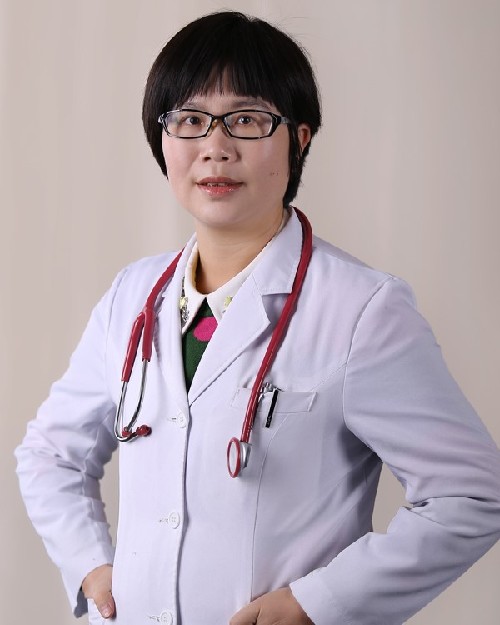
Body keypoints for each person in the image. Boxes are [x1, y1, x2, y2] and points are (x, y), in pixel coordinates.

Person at [15, 10, 500, 625]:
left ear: (299, 138)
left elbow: (470, 493)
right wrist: (90, 563)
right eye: (190, 120)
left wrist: (318, 604)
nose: (215, 147)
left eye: (246, 120)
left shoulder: (362, 309)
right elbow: (50, 453)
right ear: (162, 139)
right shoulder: (131, 296)